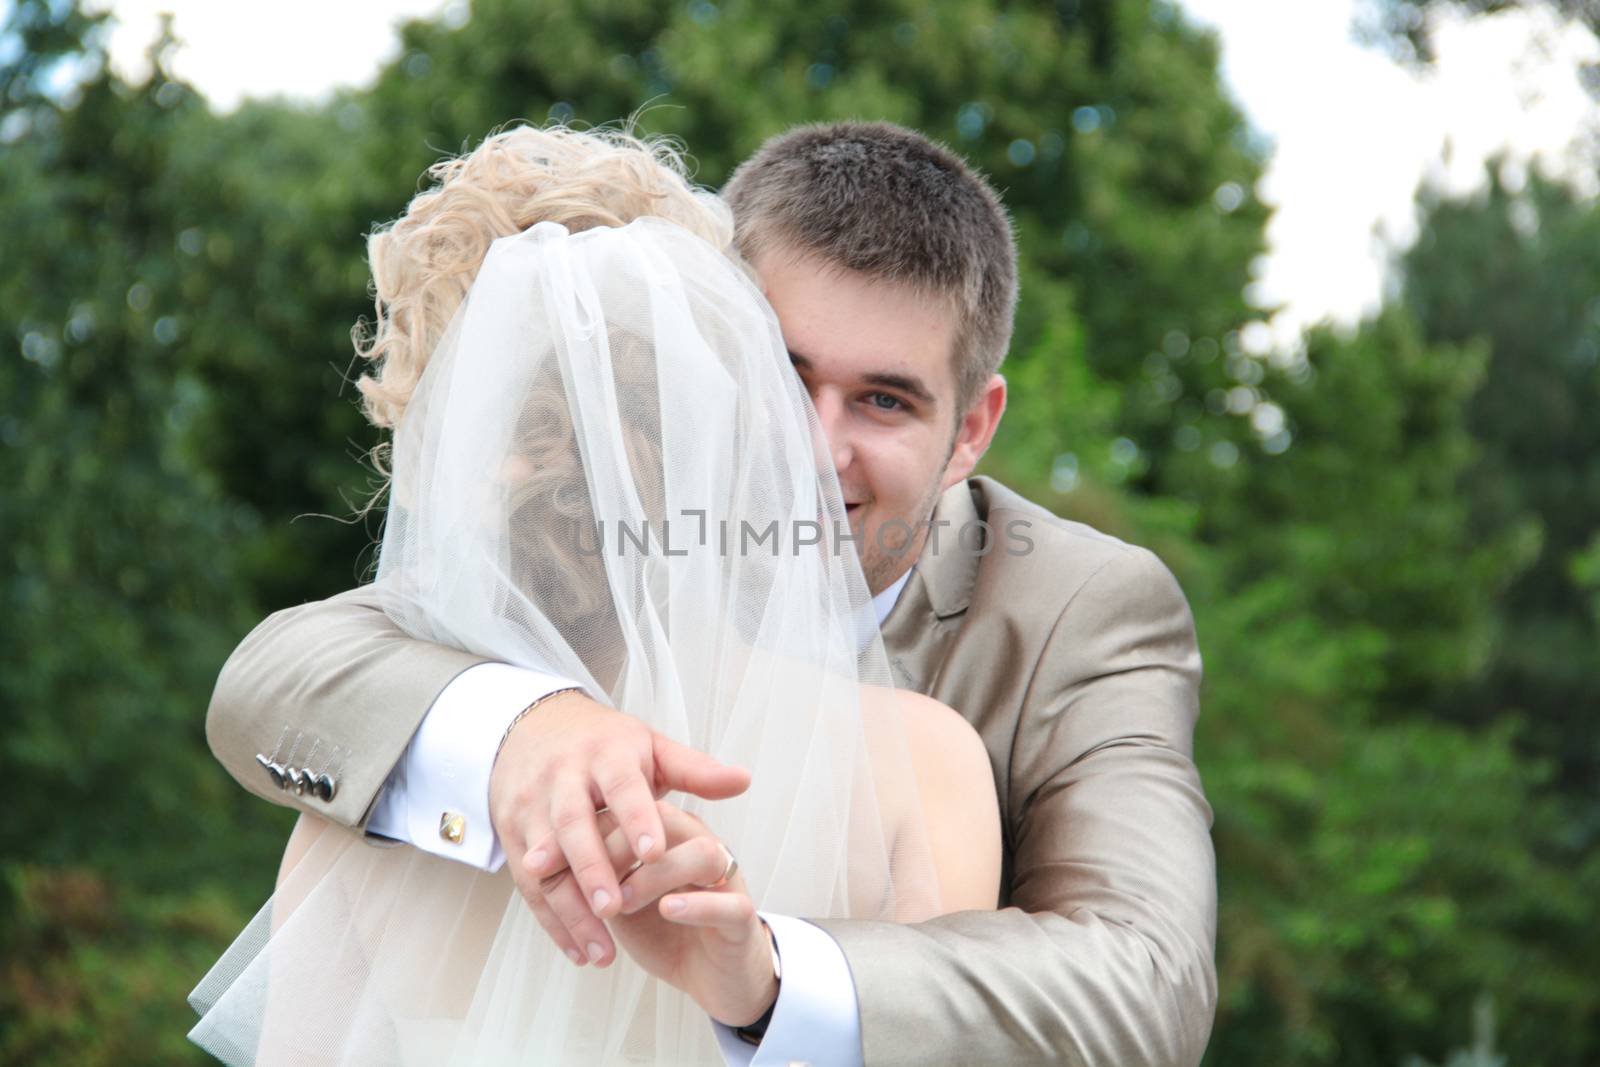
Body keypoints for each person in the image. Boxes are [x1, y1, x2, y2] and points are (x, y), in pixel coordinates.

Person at [206, 120, 1218, 1066]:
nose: (818, 451)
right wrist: (524, 726)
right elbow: (287, 671)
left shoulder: (1082, 609)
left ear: (970, 430)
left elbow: (1146, 981)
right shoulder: (513, 640)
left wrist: (777, 978)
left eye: (884, 399)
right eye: (780, 372)